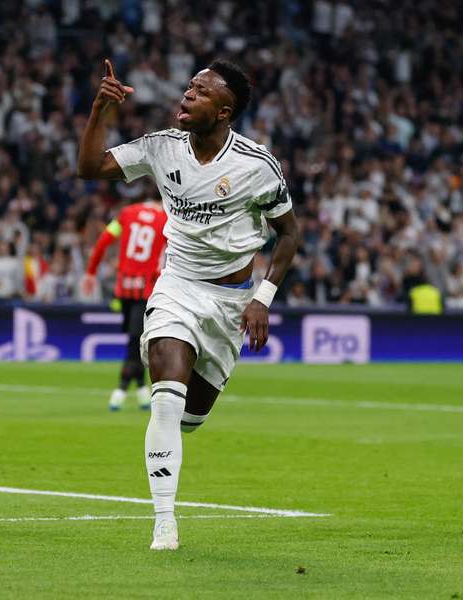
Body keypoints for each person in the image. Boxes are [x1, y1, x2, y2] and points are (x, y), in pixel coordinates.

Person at [77, 59, 300, 550]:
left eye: (199, 92)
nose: (186, 95)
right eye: (188, 87)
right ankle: (164, 522)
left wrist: (264, 296)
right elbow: (89, 168)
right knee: (165, 398)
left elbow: (289, 233)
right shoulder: (162, 148)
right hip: (176, 284)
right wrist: (100, 111)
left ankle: (175, 423)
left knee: (189, 418)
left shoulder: (257, 166)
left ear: (223, 111)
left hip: (230, 301)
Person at [83, 198, 166, 411]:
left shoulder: (126, 213)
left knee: (134, 340)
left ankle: (139, 391)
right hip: (145, 290)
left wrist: (91, 272)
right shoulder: (166, 218)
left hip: (124, 289)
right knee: (135, 343)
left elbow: (104, 240)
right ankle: (121, 389)